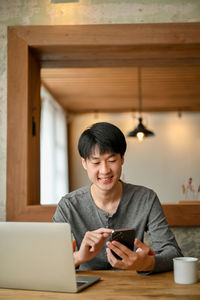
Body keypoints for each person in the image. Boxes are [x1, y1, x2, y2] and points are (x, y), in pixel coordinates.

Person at [53, 122, 183, 273]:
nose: (104, 170)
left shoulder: (146, 198)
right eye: (96, 162)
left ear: (122, 159)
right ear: (84, 163)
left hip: (133, 287)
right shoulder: (68, 205)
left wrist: (147, 263)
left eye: (112, 160)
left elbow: (174, 254)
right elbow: (50, 262)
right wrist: (78, 257)